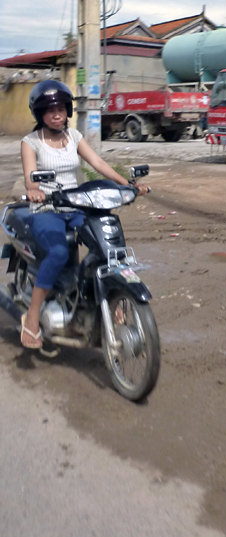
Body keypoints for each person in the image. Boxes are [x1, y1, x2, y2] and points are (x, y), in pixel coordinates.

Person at [20, 79, 149, 350]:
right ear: (39, 114)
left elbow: (98, 163)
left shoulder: (74, 136)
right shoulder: (31, 142)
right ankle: (32, 318)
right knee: (58, 252)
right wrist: (35, 190)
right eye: (49, 110)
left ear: (68, 110)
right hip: (47, 208)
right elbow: (30, 178)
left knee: (107, 246)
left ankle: (106, 295)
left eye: (61, 109)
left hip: (76, 205)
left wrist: (126, 184)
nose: (57, 114)